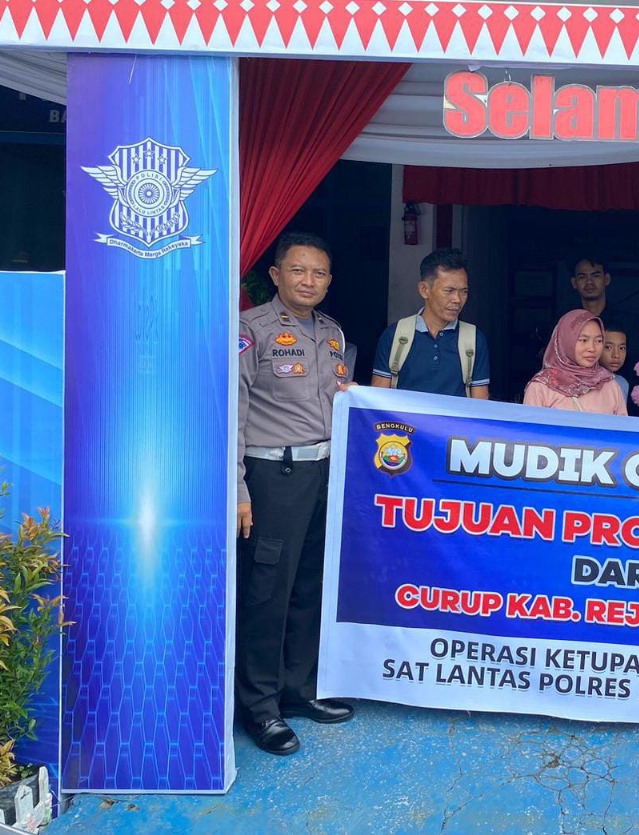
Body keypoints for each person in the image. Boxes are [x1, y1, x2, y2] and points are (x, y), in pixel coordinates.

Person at [236, 232, 356, 756]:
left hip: (324, 474)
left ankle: (298, 689)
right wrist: (237, 488)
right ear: (276, 275)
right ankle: (259, 706)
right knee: (267, 591)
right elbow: (233, 413)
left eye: (320, 273)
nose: (310, 281)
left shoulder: (332, 333)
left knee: (310, 585)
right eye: (299, 270)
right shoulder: (250, 330)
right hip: (272, 477)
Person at [372, 248, 490, 398]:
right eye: (449, 290)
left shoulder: (473, 340)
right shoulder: (395, 336)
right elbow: (378, 399)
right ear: (424, 290)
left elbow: (480, 405)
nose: (458, 299)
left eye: (464, 291)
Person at [523, 310, 626, 415]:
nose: (592, 348)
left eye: (598, 341)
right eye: (583, 340)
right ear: (566, 341)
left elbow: (622, 424)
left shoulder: (609, 385)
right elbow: (529, 425)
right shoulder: (542, 387)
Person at [601, 326, 630, 404]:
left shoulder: (622, 383)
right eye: (608, 347)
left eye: (622, 348)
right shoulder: (583, 382)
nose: (616, 355)